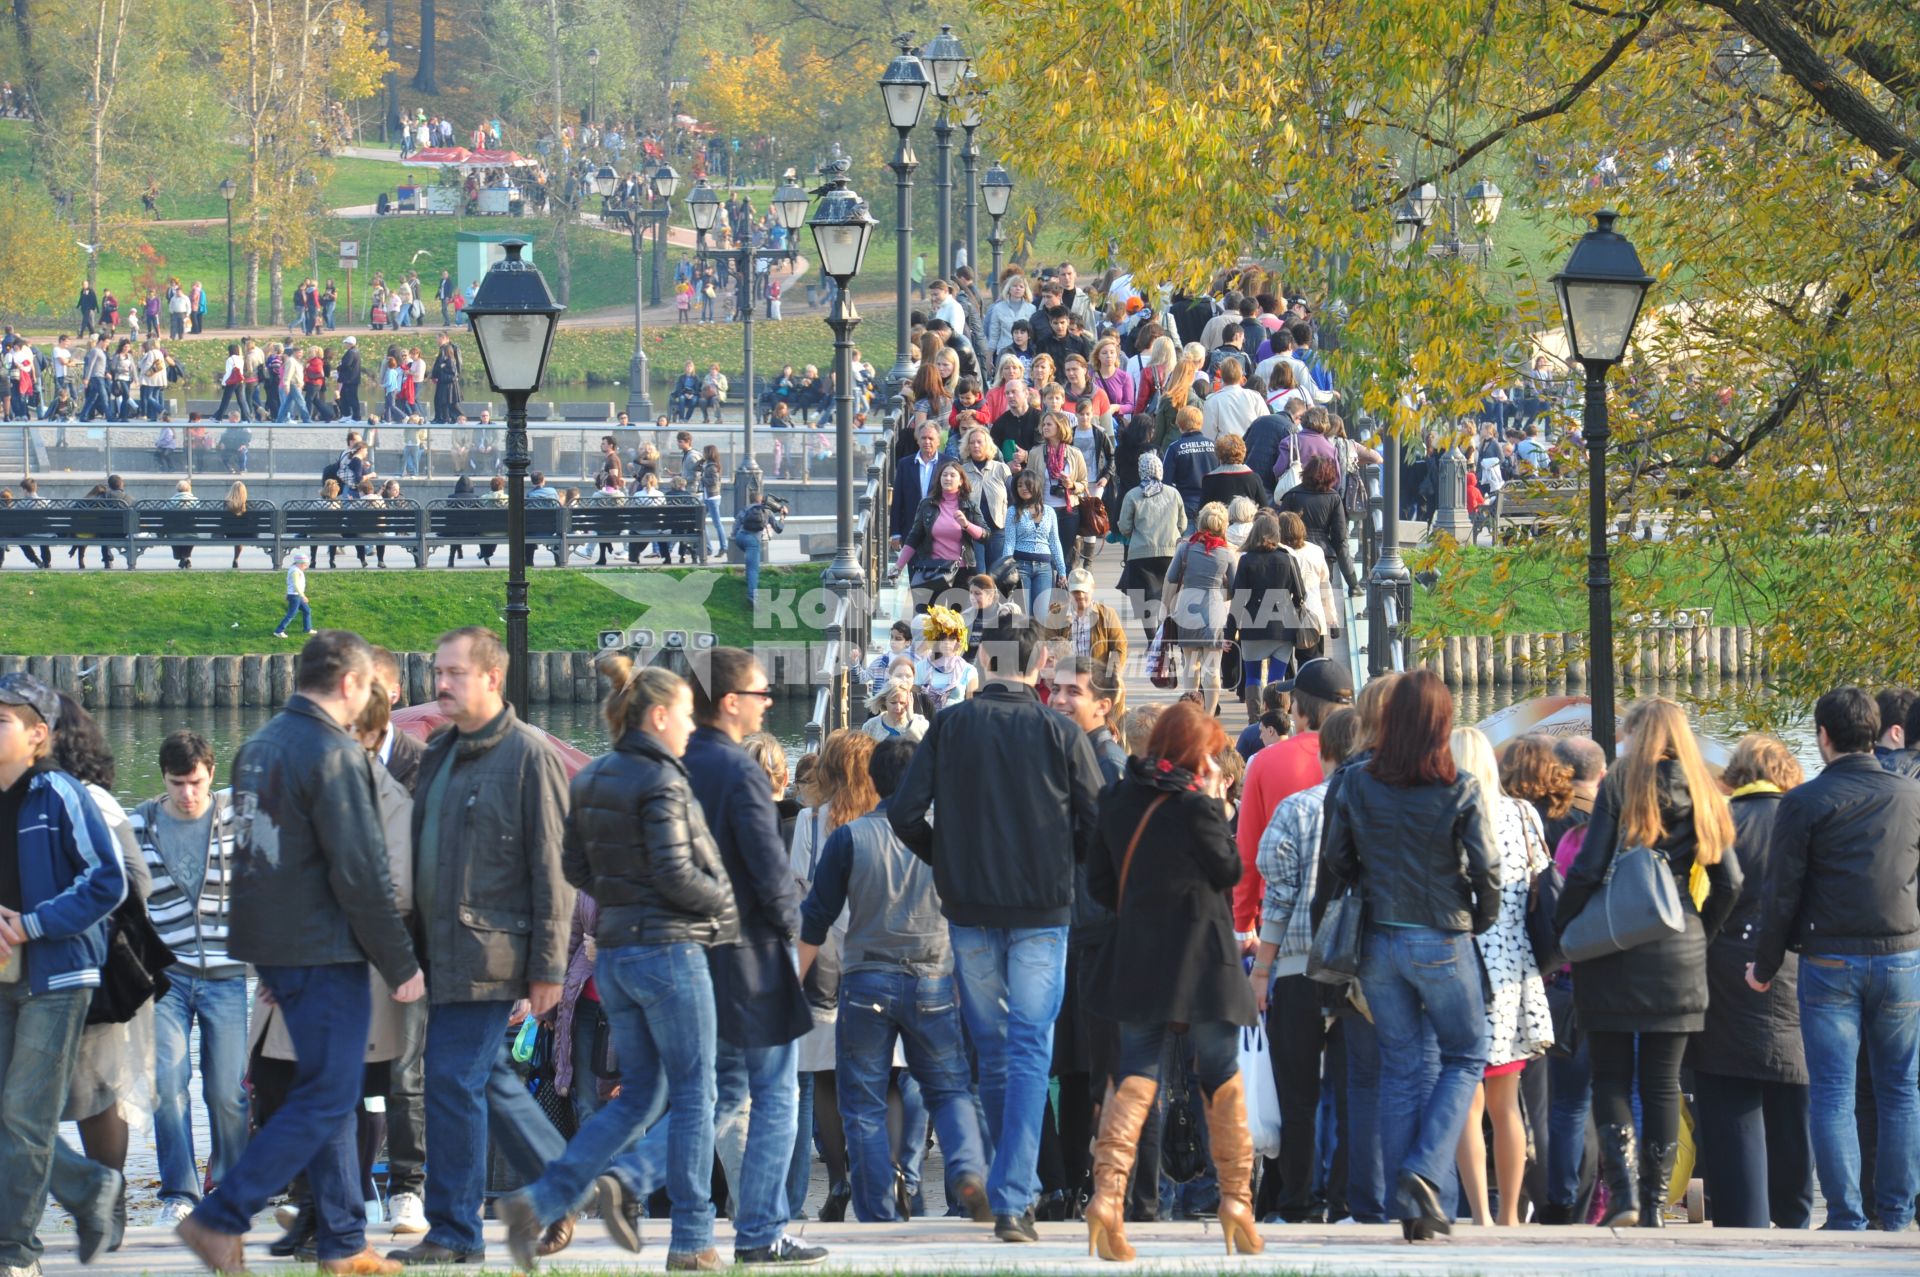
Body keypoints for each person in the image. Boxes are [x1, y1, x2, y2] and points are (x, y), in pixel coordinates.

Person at [174, 634, 422, 1277]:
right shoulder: (335, 754)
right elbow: (361, 873)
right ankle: (220, 1216)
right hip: (325, 946)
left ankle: (342, 1241)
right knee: (330, 1092)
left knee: (325, 1093)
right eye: (369, 686)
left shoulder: (258, 747)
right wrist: (401, 964)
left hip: (276, 947)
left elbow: (251, 857)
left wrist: (260, 955)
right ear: (349, 685)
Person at [496, 657, 737, 1273]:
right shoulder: (664, 780)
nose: (691, 725)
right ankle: (689, 1239)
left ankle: (547, 1198)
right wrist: (726, 906)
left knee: (638, 1099)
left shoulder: (593, 777)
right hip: (670, 950)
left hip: (617, 956)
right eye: (684, 714)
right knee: (696, 1095)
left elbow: (574, 869)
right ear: (658, 716)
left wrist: (621, 893)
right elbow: (678, 873)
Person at [890, 619, 1104, 1241]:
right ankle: (1014, 1194)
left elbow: (904, 812)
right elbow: (1095, 821)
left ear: (981, 658)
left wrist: (947, 860)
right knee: (1030, 1045)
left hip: (971, 906)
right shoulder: (1060, 731)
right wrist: (1066, 863)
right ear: (1039, 662)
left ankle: (1014, 1188)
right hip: (1040, 908)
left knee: (994, 1047)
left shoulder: (951, 726)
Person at [390, 627, 575, 1267]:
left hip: (491, 954)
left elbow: (555, 868)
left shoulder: (530, 755)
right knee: (482, 1077)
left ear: (492, 679)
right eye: (437, 671)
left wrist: (548, 966)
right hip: (437, 954)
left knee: (448, 1080)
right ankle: (562, 1186)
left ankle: (454, 1232)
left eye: (454, 673)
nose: (440, 684)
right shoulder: (439, 751)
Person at [1320, 670, 1498, 1241]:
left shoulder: (1356, 784)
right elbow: (1488, 869)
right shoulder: (1460, 787)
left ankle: (1414, 1208)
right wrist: (1479, 917)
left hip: (1378, 939)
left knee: (1401, 1067)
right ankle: (1424, 1172)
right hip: (1441, 935)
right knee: (1467, 1054)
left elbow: (1336, 863)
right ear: (1442, 724)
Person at [1082, 702, 1262, 1261]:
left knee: (1135, 1072)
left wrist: (1140, 907)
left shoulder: (1115, 799)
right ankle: (1236, 1202)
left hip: (1139, 956)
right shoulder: (1195, 805)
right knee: (1221, 1074)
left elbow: (1099, 883)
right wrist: (1211, 800)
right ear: (1196, 754)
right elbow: (1229, 872)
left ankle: (1107, 1199)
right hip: (1203, 959)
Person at [1556, 697, 1741, 1229]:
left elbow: (1589, 869)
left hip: (1613, 946)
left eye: (1627, 733)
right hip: (1679, 947)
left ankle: (1623, 1197)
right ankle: (1656, 1201)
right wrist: (1699, 934)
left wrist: (1563, 925)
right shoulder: (1705, 791)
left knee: (1610, 1077)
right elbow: (1731, 882)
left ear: (1638, 735)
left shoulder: (1619, 785)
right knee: (1662, 1082)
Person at [796, 738, 993, 1224]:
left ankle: (877, 1213)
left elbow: (814, 920)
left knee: (861, 1104)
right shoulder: (946, 840)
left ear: (875, 781)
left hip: (866, 982)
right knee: (949, 1089)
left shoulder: (849, 838)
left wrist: (786, 989)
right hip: (934, 977)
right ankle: (967, 1168)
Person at [1749, 686, 1920, 1232]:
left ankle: (1846, 1216)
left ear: (1823, 736)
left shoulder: (1804, 802)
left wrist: (1765, 964)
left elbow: (1782, 893)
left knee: (1833, 1093)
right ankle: (1897, 1214)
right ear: (1877, 733)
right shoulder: (1910, 796)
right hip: (1901, 955)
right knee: (1900, 1089)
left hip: (1829, 961)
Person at [683, 649, 826, 1266]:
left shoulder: (679, 763)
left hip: (697, 953)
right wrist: (794, 937)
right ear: (729, 701)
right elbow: (772, 876)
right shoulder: (740, 774)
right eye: (761, 693)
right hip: (755, 955)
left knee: (713, 1095)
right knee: (777, 1097)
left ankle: (631, 1180)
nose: (770, 702)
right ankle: (762, 1229)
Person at [0, 674, 127, 1275]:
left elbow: (108, 881)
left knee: (24, 1118)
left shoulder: (59, 793)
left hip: (57, 977)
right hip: (1, 976)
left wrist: (32, 924)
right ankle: (87, 1189)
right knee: (10, 1120)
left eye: (3, 721)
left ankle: (16, 1255)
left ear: (37, 737)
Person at [1690, 733, 1812, 1230]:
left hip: (1722, 973)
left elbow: (1697, 901)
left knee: (1729, 1101)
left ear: (1736, 774)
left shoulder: (1718, 823)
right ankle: (1797, 1217)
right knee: (1795, 1103)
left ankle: (1744, 1222)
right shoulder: (1804, 820)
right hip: (1795, 973)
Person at [130, 732, 249, 1227]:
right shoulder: (137, 823)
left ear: (211, 774)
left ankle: (229, 1186)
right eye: (177, 784)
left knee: (226, 1092)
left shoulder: (240, 815)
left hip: (226, 975)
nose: (187, 794)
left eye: (196, 782)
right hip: (167, 976)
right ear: (164, 779)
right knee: (168, 1084)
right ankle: (177, 1193)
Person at [1450, 727, 1554, 1228]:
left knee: (1466, 1103)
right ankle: (1512, 1214)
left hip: (1459, 962)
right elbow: (1542, 883)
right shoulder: (1523, 814)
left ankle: (1478, 1215)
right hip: (1513, 967)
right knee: (1506, 1105)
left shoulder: (1444, 812)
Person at [1163, 501, 1234, 716]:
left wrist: (1166, 610)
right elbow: (1235, 586)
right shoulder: (1227, 554)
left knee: (1190, 665)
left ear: (1200, 523)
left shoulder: (1185, 548)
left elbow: (1171, 578)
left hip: (1187, 609)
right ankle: (1210, 716)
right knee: (1212, 670)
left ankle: (1190, 710)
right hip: (1213, 611)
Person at [860, 682, 928, 743]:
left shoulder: (920, 722)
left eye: (902, 703)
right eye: (893, 703)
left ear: (909, 702)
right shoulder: (870, 726)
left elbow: (926, 746)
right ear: (884, 702)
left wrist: (911, 719)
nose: (898, 707)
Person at [274, 552, 314, 639]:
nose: (306, 567)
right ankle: (279, 631)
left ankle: (308, 629)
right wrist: (303, 596)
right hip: (295, 596)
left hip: (295, 595)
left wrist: (287, 593)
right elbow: (295, 585)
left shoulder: (295, 569)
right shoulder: (295, 571)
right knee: (291, 614)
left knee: (307, 610)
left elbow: (290, 583)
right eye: (305, 565)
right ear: (299, 563)